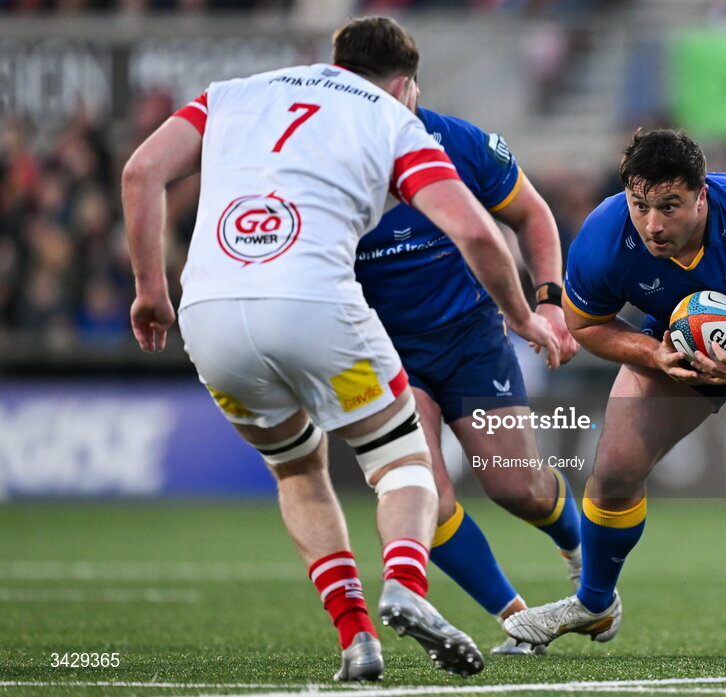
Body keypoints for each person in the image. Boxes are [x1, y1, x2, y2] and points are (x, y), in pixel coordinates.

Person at [122, 16, 559, 682]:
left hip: (208, 315)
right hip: (315, 307)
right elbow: (475, 232)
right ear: (405, 84)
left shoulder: (231, 93)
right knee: (404, 461)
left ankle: (356, 637)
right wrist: (524, 315)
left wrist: (150, 289)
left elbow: (140, 171)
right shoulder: (390, 117)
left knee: (298, 471)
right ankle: (406, 584)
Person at [504, 129, 726, 660]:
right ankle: (594, 603)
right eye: (641, 205)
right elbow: (586, 325)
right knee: (613, 471)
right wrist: (652, 354)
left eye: (669, 206)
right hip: (679, 344)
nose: (653, 224)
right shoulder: (605, 236)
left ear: (702, 196)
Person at [355, 84, 582, 654]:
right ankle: (519, 620)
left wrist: (549, 302)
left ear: (412, 86)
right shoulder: (326, 159)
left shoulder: (461, 143)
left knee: (517, 487)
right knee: (424, 493)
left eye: (392, 90)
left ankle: (588, 568)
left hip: (472, 339)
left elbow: (532, 214)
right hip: (385, 350)